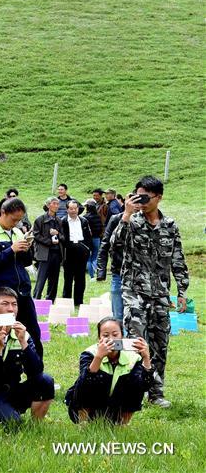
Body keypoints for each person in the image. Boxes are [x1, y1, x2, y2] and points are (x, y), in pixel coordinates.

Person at [111, 175, 189, 408]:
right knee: (136, 340)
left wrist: (182, 290)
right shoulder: (131, 221)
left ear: (159, 198)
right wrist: (125, 214)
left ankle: (156, 393)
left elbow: (178, 259)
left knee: (159, 343)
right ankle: (132, 391)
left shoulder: (170, 225)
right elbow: (115, 244)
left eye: (146, 197)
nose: (142, 201)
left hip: (161, 294)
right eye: (138, 195)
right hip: (133, 291)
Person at [0, 287, 54, 423]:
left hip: (13, 391)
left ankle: (36, 424)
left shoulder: (23, 334)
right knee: (14, 423)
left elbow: (36, 371)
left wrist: (23, 343)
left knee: (45, 381)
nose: (11, 309)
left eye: (14, 304)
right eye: (5, 304)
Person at [0, 197, 43, 358]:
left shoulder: (17, 232)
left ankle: (37, 373)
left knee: (33, 332)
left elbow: (26, 262)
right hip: (3, 296)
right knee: (4, 334)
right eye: (14, 219)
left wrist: (26, 249)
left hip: (22, 292)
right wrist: (11, 250)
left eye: (19, 220)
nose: (16, 223)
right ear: (3, 212)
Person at [65, 317, 154, 424]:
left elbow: (144, 386)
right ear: (99, 338)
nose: (111, 339)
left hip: (115, 408)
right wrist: (98, 357)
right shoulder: (89, 354)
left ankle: (123, 424)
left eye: (115, 335)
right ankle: (83, 424)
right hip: (91, 408)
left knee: (135, 384)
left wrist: (146, 358)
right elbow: (83, 384)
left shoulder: (133, 357)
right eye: (106, 335)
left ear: (122, 336)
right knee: (85, 383)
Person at [96, 191, 134, 321]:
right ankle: (119, 338)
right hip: (118, 271)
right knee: (118, 313)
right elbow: (104, 245)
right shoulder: (116, 219)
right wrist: (101, 271)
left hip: (138, 274)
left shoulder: (147, 220)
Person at [60, 200, 93, 307]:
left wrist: (87, 248)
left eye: (75, 208)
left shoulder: (84, 220)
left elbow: (88, 236)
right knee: (68, 278)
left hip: (81, 250)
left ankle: (79, 301)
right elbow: (62, 237)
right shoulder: (63, 221)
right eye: (71, 208)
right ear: (67, 209)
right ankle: (67, 300)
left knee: (80, 278)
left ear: (78, 209)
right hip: (69, 251)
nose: (73, 211)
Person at [32, 197, 62, 302]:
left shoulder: (59, 220)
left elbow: (63, 236)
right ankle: (36, 299)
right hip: (44, 253)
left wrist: (58, 235)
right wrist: (49, 241)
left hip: (57, 252)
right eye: (54, 204)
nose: (57, 206)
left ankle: (50, 300)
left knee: (54, 279)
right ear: (48, 205)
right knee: (41, 278)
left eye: (58, 204)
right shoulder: (40, 219)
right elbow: (36, 235)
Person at [83, 199, 104, 279]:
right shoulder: (98, 216)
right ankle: (96, 273)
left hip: (88, 239)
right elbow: (101, 227)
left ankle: (92, 276)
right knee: (95, 257)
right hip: (97, 238)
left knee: (88, 258)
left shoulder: (85, 217)